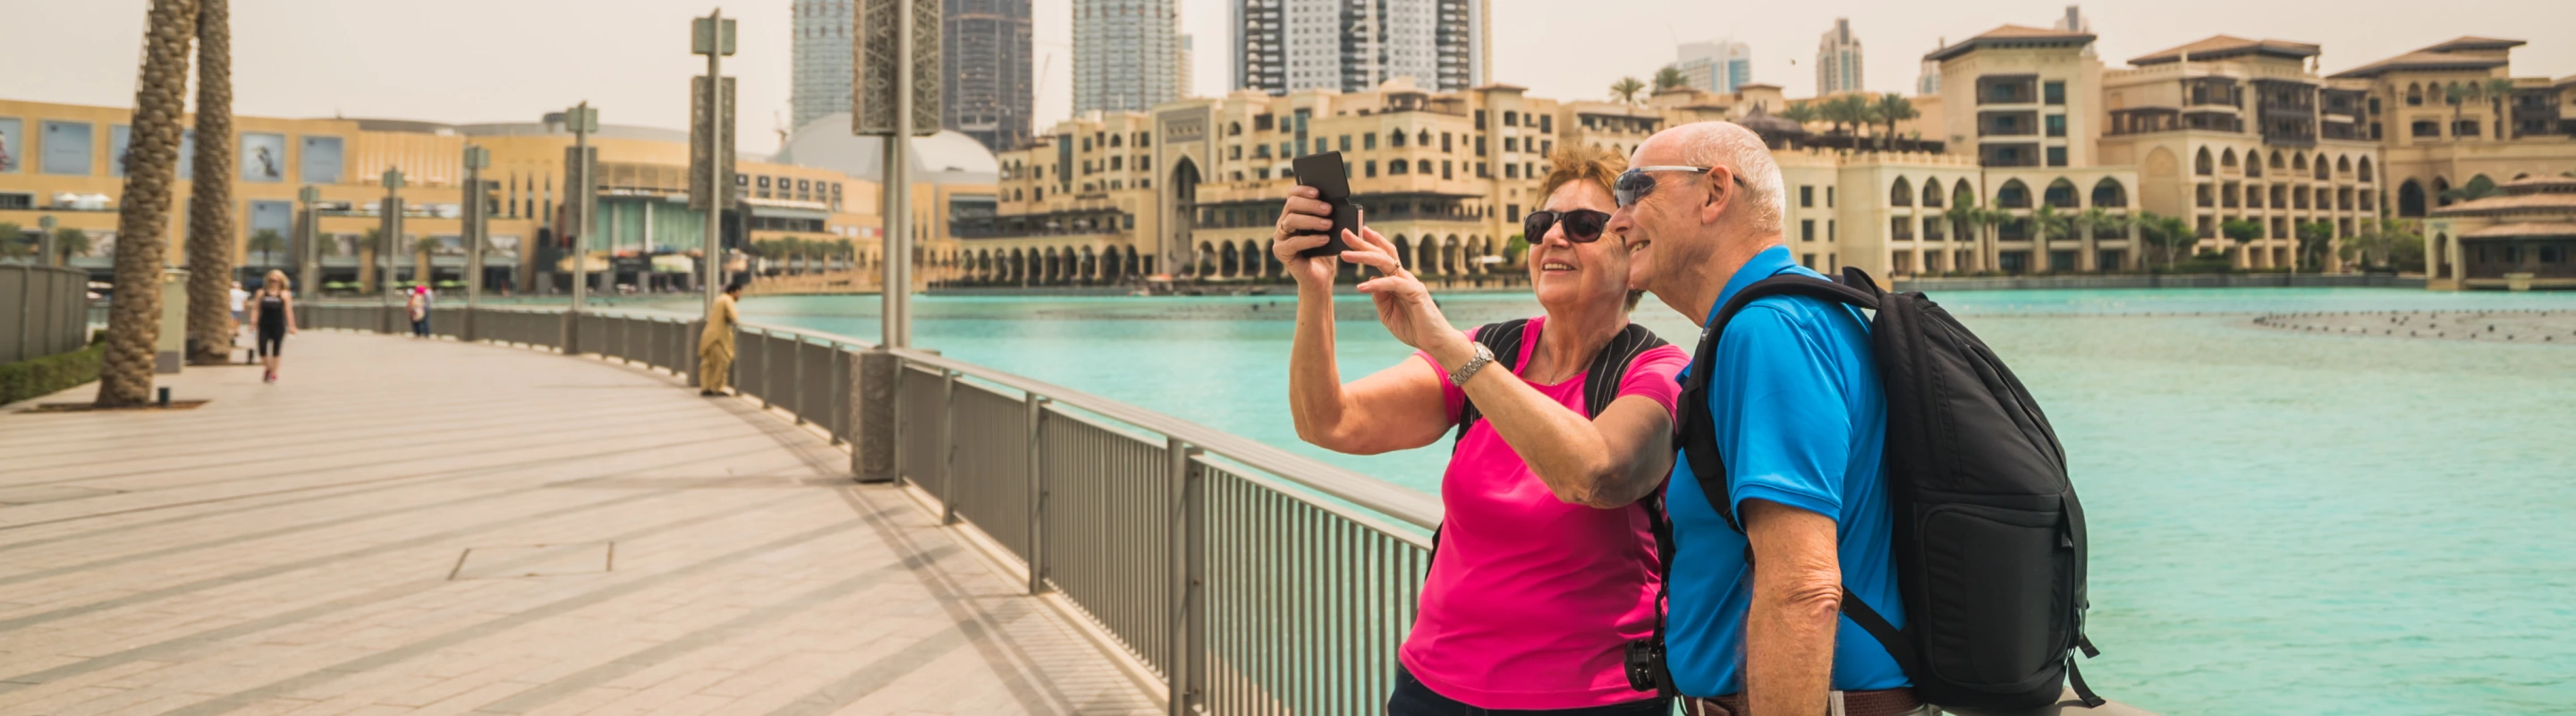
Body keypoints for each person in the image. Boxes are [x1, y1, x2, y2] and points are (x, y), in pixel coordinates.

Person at [1276, 145, 1687, 715]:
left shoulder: (1656, 371)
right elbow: (1329, 421)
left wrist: (1447, 344)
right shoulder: (1493, 349)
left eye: (1584, 225)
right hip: (1432, 688)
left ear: (1632, 249)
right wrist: (1314, 285)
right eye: (1542, 224)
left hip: (1588, 700)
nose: (1554, 238)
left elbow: (1595, 474)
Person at [1603, 121, 1919, 716]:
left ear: (1715, 192)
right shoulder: (1798, 313)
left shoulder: (1768, 330)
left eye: (1635, 189)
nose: (1617, 219)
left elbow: (1803, 588)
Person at [246, 270, 297, 383]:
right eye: (271, 280)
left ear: (281, 281)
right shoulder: (261, 293)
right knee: (262, 349)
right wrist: (253, 322)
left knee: (276, 350)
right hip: (264, 325)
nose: (273, 283)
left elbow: (288, 310)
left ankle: (274, 373)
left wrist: (292, 326)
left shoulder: (284, 294)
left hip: (278, 325)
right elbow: (256, 308)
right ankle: (269, 368)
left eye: (275, 280)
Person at [699, 279, 743, 396]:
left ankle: (705, 387)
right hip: (718, 337)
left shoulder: (718, 299)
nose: (740, 296)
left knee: (708, 362)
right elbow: (734, 316)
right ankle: (716, 387)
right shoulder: (727, 300)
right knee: (723, 361)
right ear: (735, 292)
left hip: (708, 335)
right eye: (739, 293)